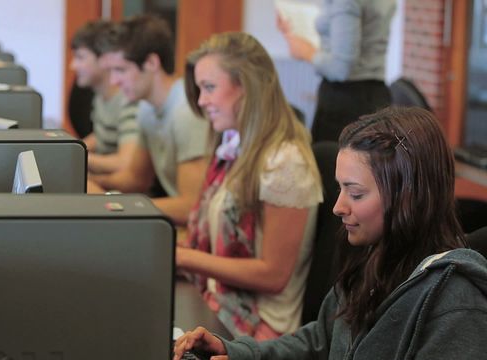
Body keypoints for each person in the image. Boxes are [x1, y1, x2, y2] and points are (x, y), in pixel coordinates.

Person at [172, 106, 487, 360]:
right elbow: (321, 341)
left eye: (356, 193)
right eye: (340, 189)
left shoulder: (456, 304)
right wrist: (236, 351)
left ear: (408, 197)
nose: (338, 206)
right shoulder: (371, 260)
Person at [177, 32, 323, 340]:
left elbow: (273, 274)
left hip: (260, 329)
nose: (202, 101)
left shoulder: (285, 162)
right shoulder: (235, 146)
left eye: (210, 87)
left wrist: (183, 257)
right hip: (221, 304)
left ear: (247, 86)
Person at [89, 14, 209, 225]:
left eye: (121, 70)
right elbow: (136, 179)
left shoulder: (185, 113)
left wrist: (112, 205)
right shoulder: (146, 108)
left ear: (152, 63)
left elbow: (191, 206)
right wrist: (88, 184)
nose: (115, 81)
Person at [277, 0, 396, 143]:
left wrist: (306, 52)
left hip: (346, 101)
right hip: (372, 94)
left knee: (332, 162)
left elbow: (341, 68)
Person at [69, 20, 140, 174]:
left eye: (80, 57)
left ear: (104, 59)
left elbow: (125, 163)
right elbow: (101, 135)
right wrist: (73, 147)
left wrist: (75, 156)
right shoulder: (100, 95)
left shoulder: (128, 100)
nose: (73, 66)